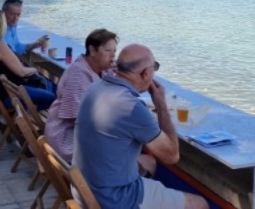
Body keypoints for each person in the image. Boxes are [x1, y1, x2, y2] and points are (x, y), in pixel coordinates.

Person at [74, 44, 209, 209]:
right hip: (112, 199)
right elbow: (172, 156)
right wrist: (160, 103)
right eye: (155, 68)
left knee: (149, 162)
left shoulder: (95, 87)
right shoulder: (130, 107)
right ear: (146, 74)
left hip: (83, 189)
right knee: (200, 204)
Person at [45, 28, 119, 162]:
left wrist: (119, 77)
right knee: (121, 145)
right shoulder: (79, 74)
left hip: (84, 130)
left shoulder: (104, 70)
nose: (113, 56)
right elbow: (77, 118)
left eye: (114, 51)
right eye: (108, 51)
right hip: (67, 136)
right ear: (92, 50)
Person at [0, 9, 57, 111]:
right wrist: (35, 70)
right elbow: (21, 72)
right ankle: (26, 119)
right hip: (6, 96)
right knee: (51, 96)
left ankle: (24, 117)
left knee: (44, 87)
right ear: (0, 26)